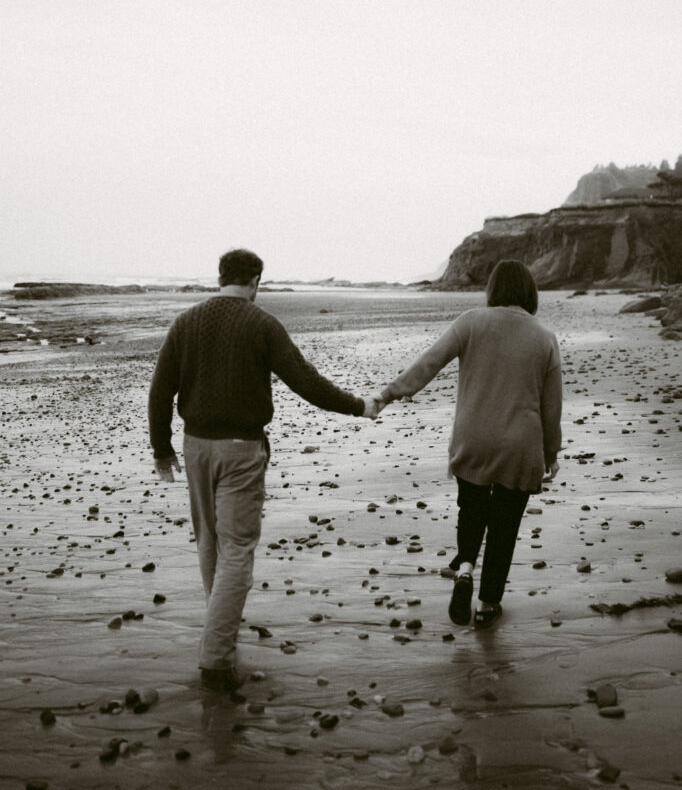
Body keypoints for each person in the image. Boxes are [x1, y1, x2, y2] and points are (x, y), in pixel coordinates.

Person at [148, 248, 378, 691]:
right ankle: (215, 658)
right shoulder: (261, 323)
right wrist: (359, 407)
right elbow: (305, 381)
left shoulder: (186, 322)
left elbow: (160, 390)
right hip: (240, 450)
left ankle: (222, 638)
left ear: (220, 277)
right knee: (236, 548)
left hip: (194, 446)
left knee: (210, 541)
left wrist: (161, 448)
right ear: (255, 280)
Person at [373, 259, 562, 630]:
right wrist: (551, 452)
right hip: (519, 446)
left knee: (471, 511)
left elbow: (429, 363)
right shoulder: (544, 337)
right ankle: (489, 603)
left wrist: (390, 393)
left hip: (473, 439)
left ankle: (464, 570)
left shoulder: (471, 322)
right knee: (505, 526)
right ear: (530, 292)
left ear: (492, 290)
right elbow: (551, 406)